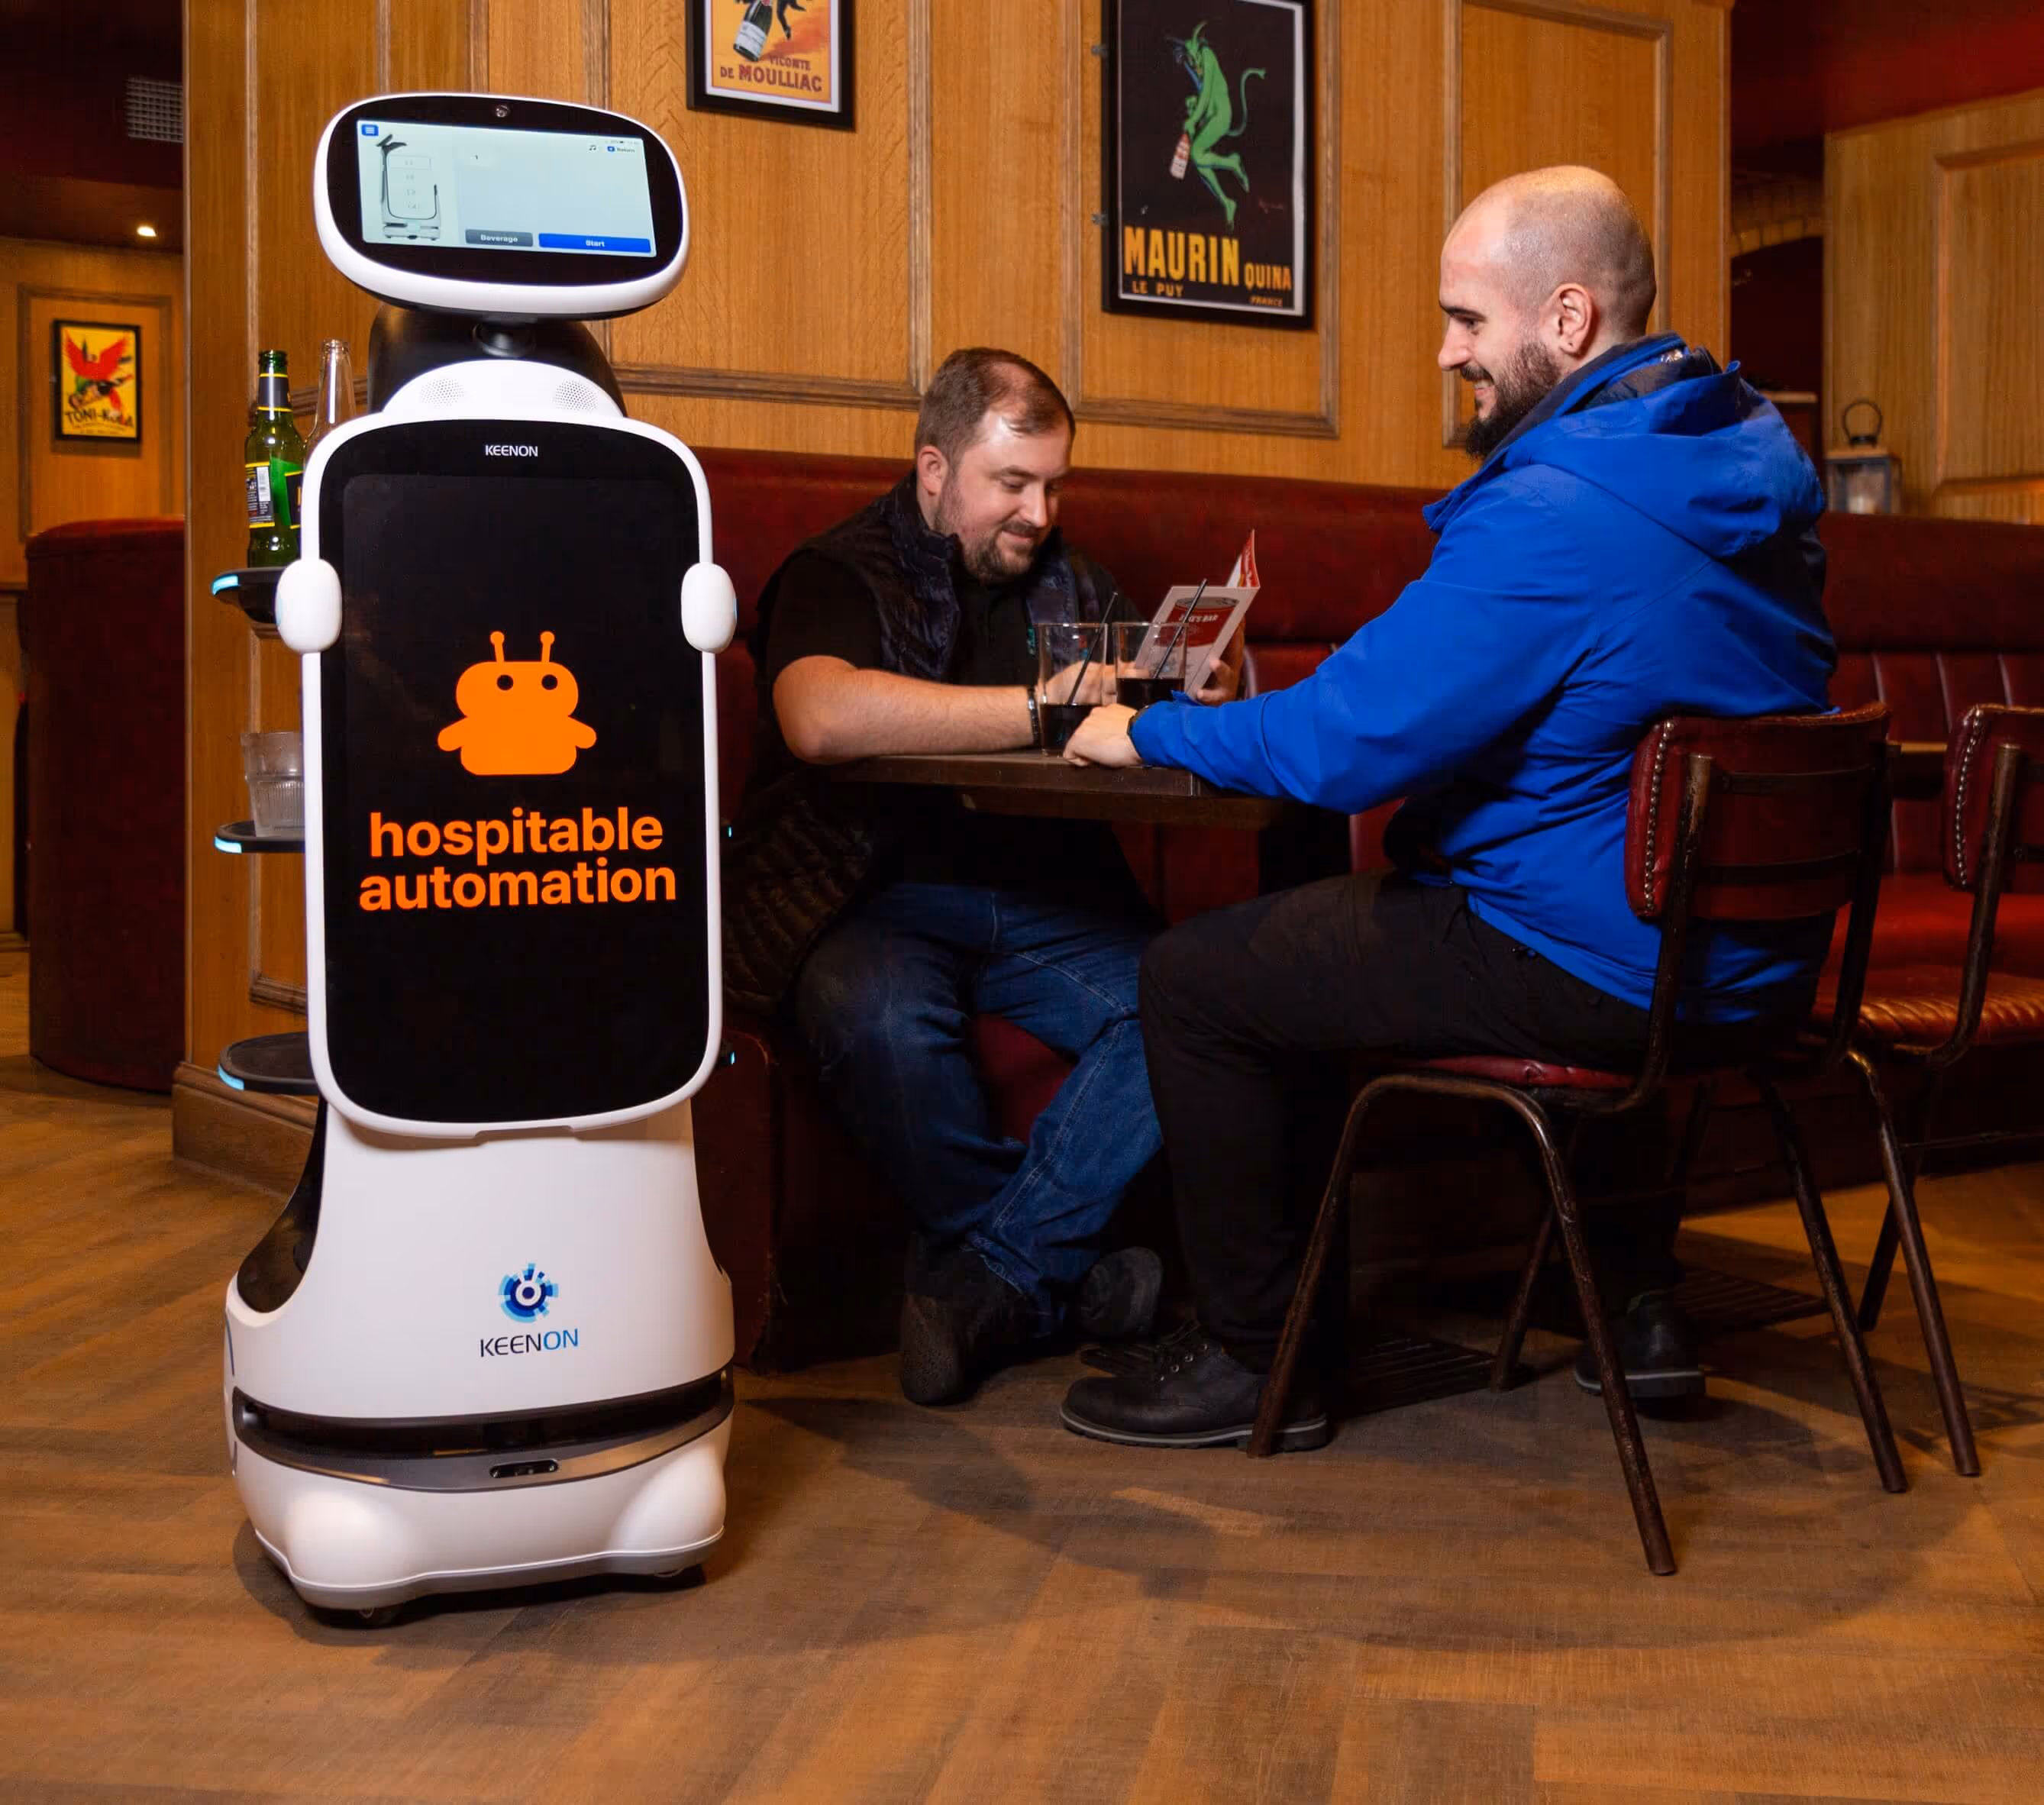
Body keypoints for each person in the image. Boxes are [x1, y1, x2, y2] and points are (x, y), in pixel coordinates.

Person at [1056, 166, 1838, 1451]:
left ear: (1571, 320)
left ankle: (1261, 1363)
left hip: (1601, 965)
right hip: (1750, 963)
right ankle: (1638, 1303)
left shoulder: (1561, 511)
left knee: (1202, 981)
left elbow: (1346, 742)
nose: (1445, 351)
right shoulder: (1745, 466)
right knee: (1558, 886)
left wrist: (1145, 728)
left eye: (1469, 320)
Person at [722, 347, 1242, 1408]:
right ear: (932, 471)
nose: (1038, 511)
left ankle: (996, 1279)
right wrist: (1045, 710)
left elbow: (1152, 689)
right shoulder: (841, 568)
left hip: (1047, 898)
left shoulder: (1071, 578)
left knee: (1192, 998)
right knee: (871, 1013)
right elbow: (817, 718)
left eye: (1053, 484)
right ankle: (1071, 1278)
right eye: (1012, 482)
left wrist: (1203, 684)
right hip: (867, 895)